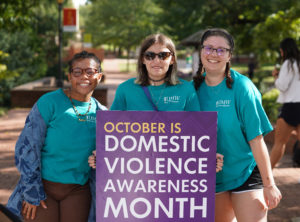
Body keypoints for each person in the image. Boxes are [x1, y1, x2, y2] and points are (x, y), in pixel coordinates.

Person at [88, 33, 224, 213]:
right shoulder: (126, 89)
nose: (156, 60)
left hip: (175, 177)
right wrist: (101, 153)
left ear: (172, 59)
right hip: (135, 177)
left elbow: (198, 133)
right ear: (143, 60)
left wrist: (209, 155)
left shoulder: (186, 90)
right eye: (150, 55)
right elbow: (111, 131)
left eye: (163, 55)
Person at [6, 51, 106, 222]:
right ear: (69, 76)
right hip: (43, 188)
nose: (84, 76)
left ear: (99, 76)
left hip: (78, 190)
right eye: (77, 71)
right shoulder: (49, 102)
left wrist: (101, 158)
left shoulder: (103, 115)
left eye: (90, 71)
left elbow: (110, 156)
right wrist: (31, 191)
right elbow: (27, 147)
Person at [193, 28, 282, 222]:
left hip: (245, 172)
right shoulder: (192, 91)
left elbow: (257, 140)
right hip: (211, 178)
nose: (213, 54)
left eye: (220, 50)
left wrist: (269, 184)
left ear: (229, 55)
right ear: (201, 51)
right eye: (208, 48)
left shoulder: (243, 88)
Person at [270, 38, 300, 168]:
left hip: (291, 106)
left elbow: (282, 86)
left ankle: (265, 176)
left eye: (281, 51)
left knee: (279, 143)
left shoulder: (288, 63)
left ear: (284, 50)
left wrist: (276, 76)